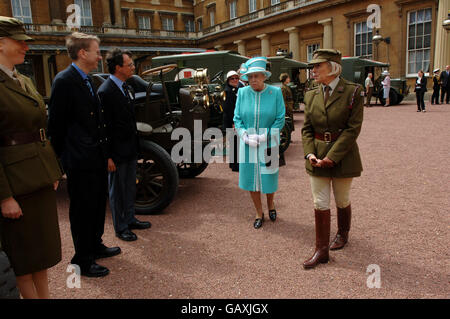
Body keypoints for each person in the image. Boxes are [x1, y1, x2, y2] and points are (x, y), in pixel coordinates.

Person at [48, 32, 120, 278]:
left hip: (95, 157)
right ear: (82, 53)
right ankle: (82, 260)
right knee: (82, 210)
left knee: (98, 205)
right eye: (97, 51)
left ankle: (95, 245)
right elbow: (55, 127)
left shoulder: (88, 80)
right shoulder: (64, 81)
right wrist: (62, 162)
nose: (100, 56)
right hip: (79, 160)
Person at [0, 16, 62, 298]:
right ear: (1, 44)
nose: (26, 47)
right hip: (16, 185)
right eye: (20, 41)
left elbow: (40, 130)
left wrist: (52, 171)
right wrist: (4, 196)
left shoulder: (23, 79)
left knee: (43, 253)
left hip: (38, 177)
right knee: (23, 260)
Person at [301, 49, 364, 269]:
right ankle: (322, 250)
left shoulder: (354, 92)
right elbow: (306, 129)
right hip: (315, 155)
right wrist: (310, 153)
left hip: (343, 155)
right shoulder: (310, 94)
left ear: (333, 67)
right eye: (313, 66)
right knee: (319, 202)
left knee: (342, 199)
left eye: (318, 65)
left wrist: (331, 157)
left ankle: (343, 234)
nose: (314, 70)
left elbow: (352, 129)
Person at [98, 48, 151, 242]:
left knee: (129, 187)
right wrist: (108, 156)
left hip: (129, 149)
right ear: (118, 67)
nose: (133, 67)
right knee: (117, 191)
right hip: (116, 152)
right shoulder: (105, 91)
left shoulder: (125, 87)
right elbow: (103, 128)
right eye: (129, 65)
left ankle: (129, 218)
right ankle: (120, 227)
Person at [233, 57, 285, 229]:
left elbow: (280, 119)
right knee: (250, 178)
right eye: (250, 76)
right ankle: (258, 212)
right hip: (248, 143)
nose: (253, 80)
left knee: (269, 176)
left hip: (269, 143)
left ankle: (271, 204)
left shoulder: (276, 93)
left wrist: (266, 136)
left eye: (257, 76)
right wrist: (244, 135)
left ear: (264, 76)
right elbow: (237, 118)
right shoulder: (242, 93)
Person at [223, 70, 244, 172]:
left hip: (237, 120)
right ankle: (235, 165)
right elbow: (228, 109)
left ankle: (235, 164)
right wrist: (233, 122)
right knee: (234, 143)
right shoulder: (227, 91)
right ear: (228, 80)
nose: (235, 80)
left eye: (236, 78)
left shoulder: (239, 88)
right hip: (231, 121)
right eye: (232, 78)